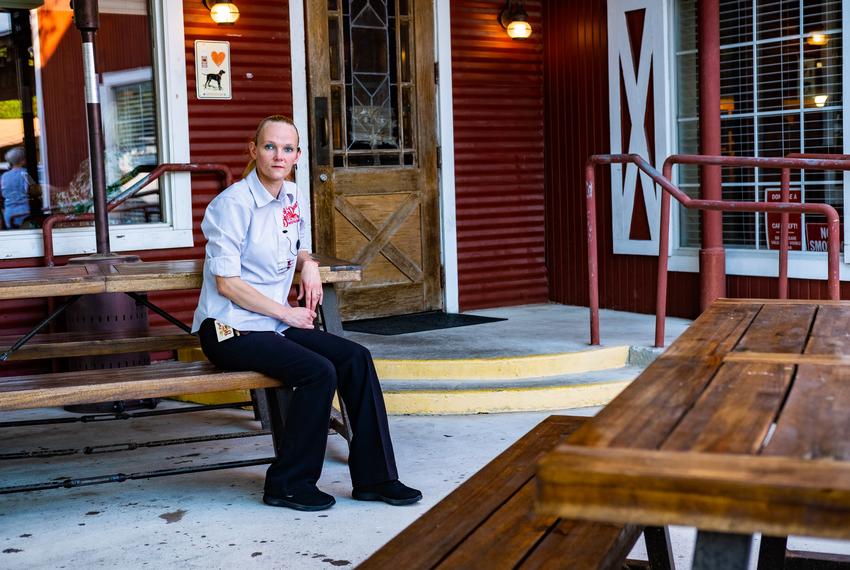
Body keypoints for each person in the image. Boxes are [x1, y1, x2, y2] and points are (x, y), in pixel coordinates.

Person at [192, 115, 421, 511]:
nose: (278, 155)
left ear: (297, 155)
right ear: (253, 150)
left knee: (356, 358)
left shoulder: (294, 196)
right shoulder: (230, 205)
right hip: (230, 328)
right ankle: (288, 483)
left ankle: (376, 478)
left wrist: (309, 263)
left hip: (273, 323)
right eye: (269, 146)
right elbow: (227, 283)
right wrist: (287, 312)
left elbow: (296, 245)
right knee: (319, 371)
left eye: (287, 148)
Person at [1, 147, 32, 229]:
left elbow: (2, 193)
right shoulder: (24, 173)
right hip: (23, 214)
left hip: (8, 215)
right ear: (23, 160)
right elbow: (35, 190)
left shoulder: (4, 176)